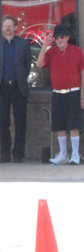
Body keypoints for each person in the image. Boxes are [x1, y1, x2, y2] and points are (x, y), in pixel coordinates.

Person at [36, 25, 84, 165]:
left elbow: (83, 72)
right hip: (57, 94)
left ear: (68, 37)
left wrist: (82, 94)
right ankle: (63, 153)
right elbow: (39, 64)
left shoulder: (77, 51)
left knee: (74, 125)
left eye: (62, 37)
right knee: (59, 125)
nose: (60, 40)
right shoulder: (51, 52)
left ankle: (75, 154)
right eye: (57, 38)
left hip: (73, 92)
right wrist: (45, 44)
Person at [0, 15, 33, 163]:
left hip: (18, 87)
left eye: (10, 25)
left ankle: (18, 154)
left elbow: (27, 66)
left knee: (20, 122)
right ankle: (4, 154)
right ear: (2, 28)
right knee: (3, 122)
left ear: (15, 27)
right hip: (2, 88)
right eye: (5, 26)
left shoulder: (23, 44)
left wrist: (20, 79)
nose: (8, 28)